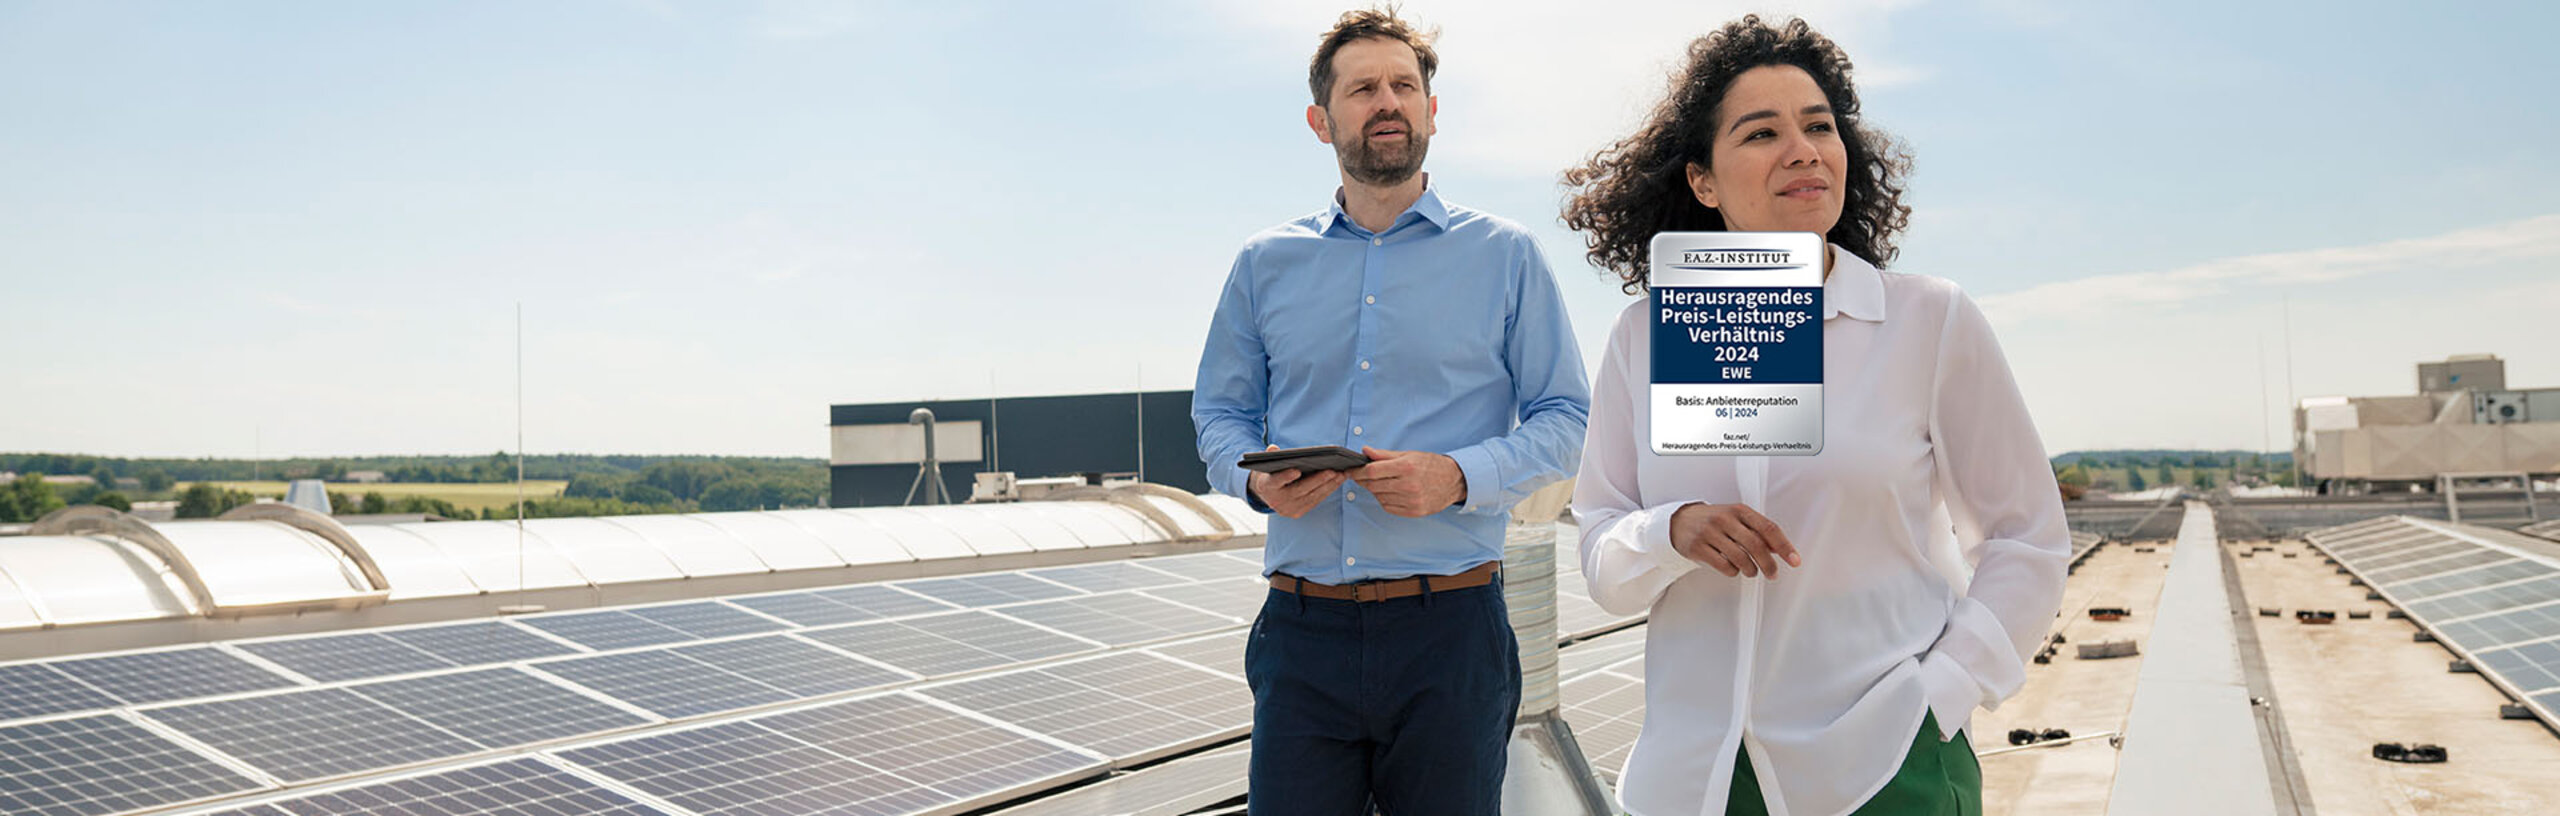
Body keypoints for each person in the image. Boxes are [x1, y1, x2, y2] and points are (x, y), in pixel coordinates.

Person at [1561, 15, 2069, 816]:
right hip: (1694, 782)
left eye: (1820, 126)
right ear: (1703, 181)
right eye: (1761, 132)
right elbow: (1601, 556)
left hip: (1883, 769)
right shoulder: (1645, 336)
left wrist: (1941, 697)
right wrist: (1672, 529)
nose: (1802, 149)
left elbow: (2027, 537)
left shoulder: (1928, 320)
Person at [1191, 7, 1591, 814]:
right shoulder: (1265, 263)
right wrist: (1254, 482)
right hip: (1303, 635)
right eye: (1364, 87)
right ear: (1320, 119)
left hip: (1452, 633)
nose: (1388, 102)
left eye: (1405, 86)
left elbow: (1564, 416)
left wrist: (1458, 476)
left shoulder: (1504, 255)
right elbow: (1219, 415)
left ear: (1432, 111)